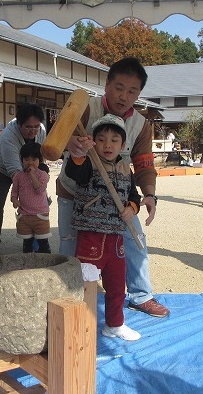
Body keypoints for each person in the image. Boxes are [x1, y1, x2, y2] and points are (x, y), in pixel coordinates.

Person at [57, 57, 169, 318]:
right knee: (69, 248)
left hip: (117, 203)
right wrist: (69, 143)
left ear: (139, 94)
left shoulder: (141, 125)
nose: (124, 96)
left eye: (133, 91)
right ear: (107, 84)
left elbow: (143, 163)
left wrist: (149, 194)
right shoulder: (84, 108)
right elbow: (54, 142)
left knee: (135, 242)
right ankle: (67, 300)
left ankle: (141, 295)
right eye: (119, 87)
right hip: (74, 194)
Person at [65, 114, 142, 341]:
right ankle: (78, 326)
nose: (108, 145)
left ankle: (115, 324)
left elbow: (133, 196)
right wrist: (78, 153)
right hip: (91, 236)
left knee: (117, 284)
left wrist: (132, 208)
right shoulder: (87, 162)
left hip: (116, 237)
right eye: (101, 139)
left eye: (114, 140)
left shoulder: (126, 168)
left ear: (123, 144)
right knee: (85, 285)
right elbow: (75, 172)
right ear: (93, 141)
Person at [0, 103, 46, 258]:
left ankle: (30, 240)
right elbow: (16, 173)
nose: (33, 131)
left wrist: (39, 179)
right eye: (28, 127)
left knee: (37, 202)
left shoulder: (41, 130)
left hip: (29, 168)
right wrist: (23, 193)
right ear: (19, 124)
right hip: (2, 170)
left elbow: (40, 156)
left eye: (36, 127)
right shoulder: (8, 137)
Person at [10, 142, 51, 253]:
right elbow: (14, 191)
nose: (30, 163)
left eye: (34, 159)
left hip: (40, 214)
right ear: (22, 160)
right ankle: (28, 266)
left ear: (40, 160)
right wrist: (14, 200)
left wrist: (32, 175)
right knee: (27, 243)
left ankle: (46, 265)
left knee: (43, 243)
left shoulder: (43, 175)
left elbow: (39, 190)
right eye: (26, 159)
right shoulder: (18, 176)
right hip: (24, 214)